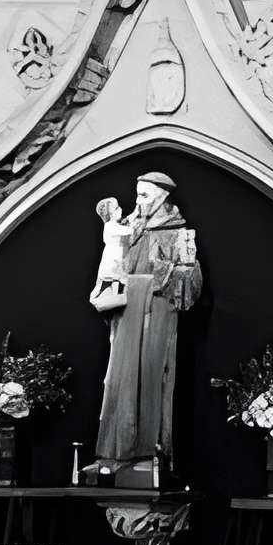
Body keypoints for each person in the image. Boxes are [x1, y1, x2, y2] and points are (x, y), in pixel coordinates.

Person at [89, 171, 202, 476]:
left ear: (162, 197)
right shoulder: (126, 227)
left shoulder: (177, 232)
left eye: (145, 196)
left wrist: (158, 277)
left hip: (157, 314)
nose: (137, 202)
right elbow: (111, 267)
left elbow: (190, 284)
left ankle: (147, 453)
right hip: (126, 315)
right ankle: (112, 455)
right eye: (137, 194)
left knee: (151, 379)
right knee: (116, 380)